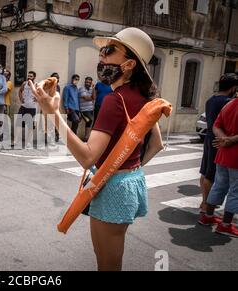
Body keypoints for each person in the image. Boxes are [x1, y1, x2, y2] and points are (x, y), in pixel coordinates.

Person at [30, 28, 164, 271]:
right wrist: (127, 169)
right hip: (130, 183)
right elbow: (156, 144)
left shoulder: (115, 100)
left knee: (107, 263)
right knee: (110, 260)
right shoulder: (145, 97)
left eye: (110, 50)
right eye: (102, 50)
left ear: (129, 64)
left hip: (113, 187)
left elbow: (88, 157)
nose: (101, 56)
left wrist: (52, 113)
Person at [198, 79, 238, 238]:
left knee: (219, 185)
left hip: (223, 152)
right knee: (235, 190)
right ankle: (226, 224)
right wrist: (230, 140)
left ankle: (207, 216)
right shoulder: (227, 102)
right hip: (234, 154)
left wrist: (224, 139)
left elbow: (215, 125)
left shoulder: (229, 104)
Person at [14, 71, 38, 149]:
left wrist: (37, 98)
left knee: (30, 126)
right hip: (23, 106)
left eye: (31, 76)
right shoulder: (24, 84)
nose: (29, 77)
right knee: (18, 123)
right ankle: (15, 141)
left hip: (32, 108)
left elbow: (41, 94)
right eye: (28, 76)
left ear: (34, 77)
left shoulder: (36, 85)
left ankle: (28, 143)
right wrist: (21, 99)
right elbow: (20, 91)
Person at [79, 77, 95, 142]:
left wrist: (93, 89)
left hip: (91, 109)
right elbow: (87, 98)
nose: (87, 83)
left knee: (89, 122)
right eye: (86, 82)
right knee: (90, 120)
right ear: (84, 82)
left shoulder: (91, 89)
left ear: (91, 83)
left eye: (89, 82)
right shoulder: (81, 89)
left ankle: (86, 137)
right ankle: (86, 137)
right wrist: (91, 98)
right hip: (84, 109)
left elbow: (94, 97)